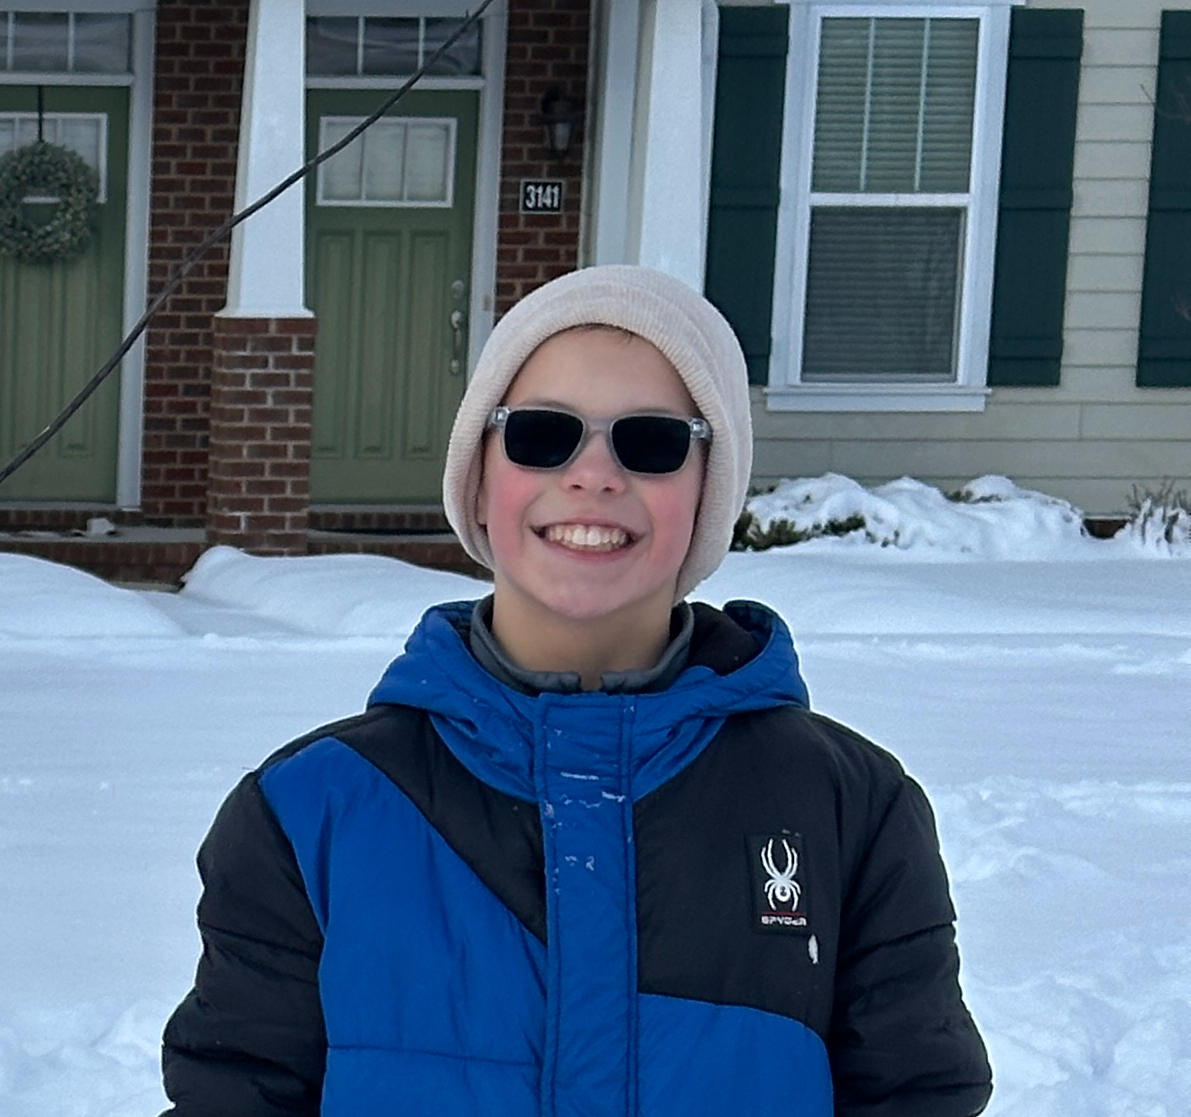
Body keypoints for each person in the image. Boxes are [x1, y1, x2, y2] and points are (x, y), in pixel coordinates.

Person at [158, 266, 990, 1117]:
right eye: (544, 435)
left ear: (708, 490)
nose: (594, 474)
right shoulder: (310, 812)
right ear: (481, 475)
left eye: (653, 442)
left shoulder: (849, 809)